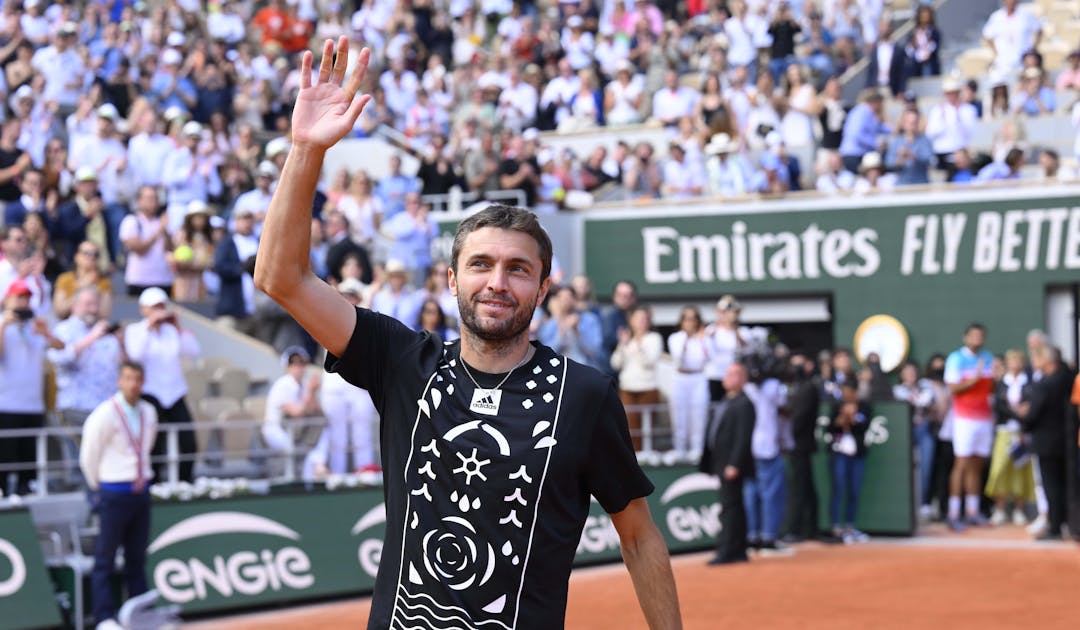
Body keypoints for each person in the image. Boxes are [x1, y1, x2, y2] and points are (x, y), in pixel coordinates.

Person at [252, 39, 681, 629]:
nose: (497, 283)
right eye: (481, 265)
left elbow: (637, 534)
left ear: (543, 288)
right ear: (451, 279)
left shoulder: (584, 394)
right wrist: (305, 150)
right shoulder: (402, 360)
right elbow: (281, 277)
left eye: (517, 269)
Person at [79, 361, 157, 630]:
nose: (133, 384)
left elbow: (148, 447)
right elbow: (89, 455)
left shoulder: (149, 411)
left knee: (137, 558)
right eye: (127, 378)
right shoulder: (104, 414)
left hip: (140, 492)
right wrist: (98, 488)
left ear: (143, 382)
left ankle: (140, 614)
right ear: (119, 381)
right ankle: (105, 618)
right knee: (106, 559)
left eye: (137, 379)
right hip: (113, 492)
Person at [124, 288, 201, 484]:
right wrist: (150, 327)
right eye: (154, 307)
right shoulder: (135, 331)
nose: (158, 310)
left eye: (161, 306)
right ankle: (155, 484)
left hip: (175, 392)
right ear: (144, 309)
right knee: (154, 444)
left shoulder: (172, 331)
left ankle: (185, 482)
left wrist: (178, 327)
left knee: (188, 442)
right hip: (151, 393)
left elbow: (192, 351)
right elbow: (135, 356)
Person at [0, 278, 63, 495]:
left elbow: (61, 347)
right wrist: (4, 324)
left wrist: (45, 332)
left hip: (32, 404)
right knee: (5, 457)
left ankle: (25, 489)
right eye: (19, 298)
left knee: (29, 459)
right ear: (8, 299)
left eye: (27, 298)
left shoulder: (35, 327)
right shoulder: (2, 325)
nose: (23, 303)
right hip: (6, 404)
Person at [317, 279, 380, 475]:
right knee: (338, 436)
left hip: (359, 384)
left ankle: (366, 472)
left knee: (362, 434)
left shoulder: (370, 320)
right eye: (345, 295)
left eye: (352, 296)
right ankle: (337, 476)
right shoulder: (327, 316)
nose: (348, 299)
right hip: (334, 383)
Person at [700, 362, 755, 565]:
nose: (729, 377)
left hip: (731, 465)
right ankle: (738, 550)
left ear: (743, 379)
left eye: (735, 374)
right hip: (720, 462)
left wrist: (735, 464)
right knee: (733, 505)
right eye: (728, 373)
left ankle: (728, 549)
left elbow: (743, 438)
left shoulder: (744, 404)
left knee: (730, 507)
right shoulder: (725, 402)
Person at [944, 323, 996, 531]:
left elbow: (991, 386)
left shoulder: (988, 358)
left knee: (977, 465)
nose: (977, 339)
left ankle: (973, 512)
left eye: (980, 336)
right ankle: (954, 513)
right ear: (965, 337)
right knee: (962, 464)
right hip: (964, 418)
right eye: (973, 335)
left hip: (984, 418)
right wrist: (974, 380)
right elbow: (953, 387)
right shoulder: (956, 358)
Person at [1018, 346, 1072, 540]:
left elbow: (1032, 415)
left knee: (1051, 485)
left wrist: (1023, 414)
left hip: (1046, 442)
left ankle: (1055, 527)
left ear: (1046, 360)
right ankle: (1068, 523)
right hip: (1067, 441)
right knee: (1065, 483)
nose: (1033, 362)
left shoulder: (1044, 385)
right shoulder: (1068, 378)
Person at [986, 349, 1035, 526]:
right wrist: (1016, 413)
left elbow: (1030, 405)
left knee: (1019, 469)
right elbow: (999, 406)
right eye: (1011, 360)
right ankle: (999, 509)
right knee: (1000, 469)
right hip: (1004, 431)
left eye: (1018, 360)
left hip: (1021, 432)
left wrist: (1023, 422)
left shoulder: (1029, 383)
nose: (1015, 364)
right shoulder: (1000, 383)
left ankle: (1019, 510)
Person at [610, 305, 664, 452]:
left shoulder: (654, 338)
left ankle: (648, 454)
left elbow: (650, 362)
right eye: (638, 318)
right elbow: (615, 363)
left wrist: (639, 348)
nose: (641, 322)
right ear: (631, 320)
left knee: (648, 429)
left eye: (645, 319)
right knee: (630, 427)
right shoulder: (627, 339)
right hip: (628, 388)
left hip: (648, 387)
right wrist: (622, 345)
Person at [893, 360, 939, 519]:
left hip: (924, 430)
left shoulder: (926, 387)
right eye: (907, 372)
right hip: (906, 432)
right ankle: (906, 504)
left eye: (913, 372)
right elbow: (911, 402)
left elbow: (926, 401)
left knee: (925, 467)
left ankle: (923, 503)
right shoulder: (897, 390)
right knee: (905, 467)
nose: (911, 375)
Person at [785, 351, 822, 542]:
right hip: (797, 445)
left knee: (802, 488)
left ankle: (799, 529)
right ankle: (808, 528)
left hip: (801, 445)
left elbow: (798, 420)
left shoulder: (808, 388)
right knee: (804, 487)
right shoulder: (794, 387)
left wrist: (785, 432)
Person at [829, 382, 872, 543]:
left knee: (854, 490)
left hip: (857, 454)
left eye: (849, 391)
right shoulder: (836, 406)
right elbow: (830, 429)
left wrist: (853, 418)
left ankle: (849, 526)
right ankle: (836, 527)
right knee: (838, 489)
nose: (847, 394)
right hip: (839, 452)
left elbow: (865, 426)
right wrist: (840, 420)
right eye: (844, 391)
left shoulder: (864, 407)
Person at [263, 347, 322, 463]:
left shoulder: (304, 384)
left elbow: (315, 410)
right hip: (276, 429)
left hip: (295, 430)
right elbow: (296, 413)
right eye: (293, 363)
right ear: (287, 366)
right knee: (296, 453)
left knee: (323, 432)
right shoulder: (283, 384)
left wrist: (313, 392)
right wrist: (311, 391)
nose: (298, 366)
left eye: (301, 362)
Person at [667, 306, 709, 462]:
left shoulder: (704, 338)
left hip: (698, 377)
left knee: (699, 414)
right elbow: (677, 357)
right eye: (687, 319)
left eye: (693, 319)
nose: (690, 322)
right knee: (679, 416)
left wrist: (702, 339)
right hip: (680, 377)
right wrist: (687, 337)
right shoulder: (675, 337)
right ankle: (680, 449)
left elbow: (708, 357)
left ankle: (697, 449)